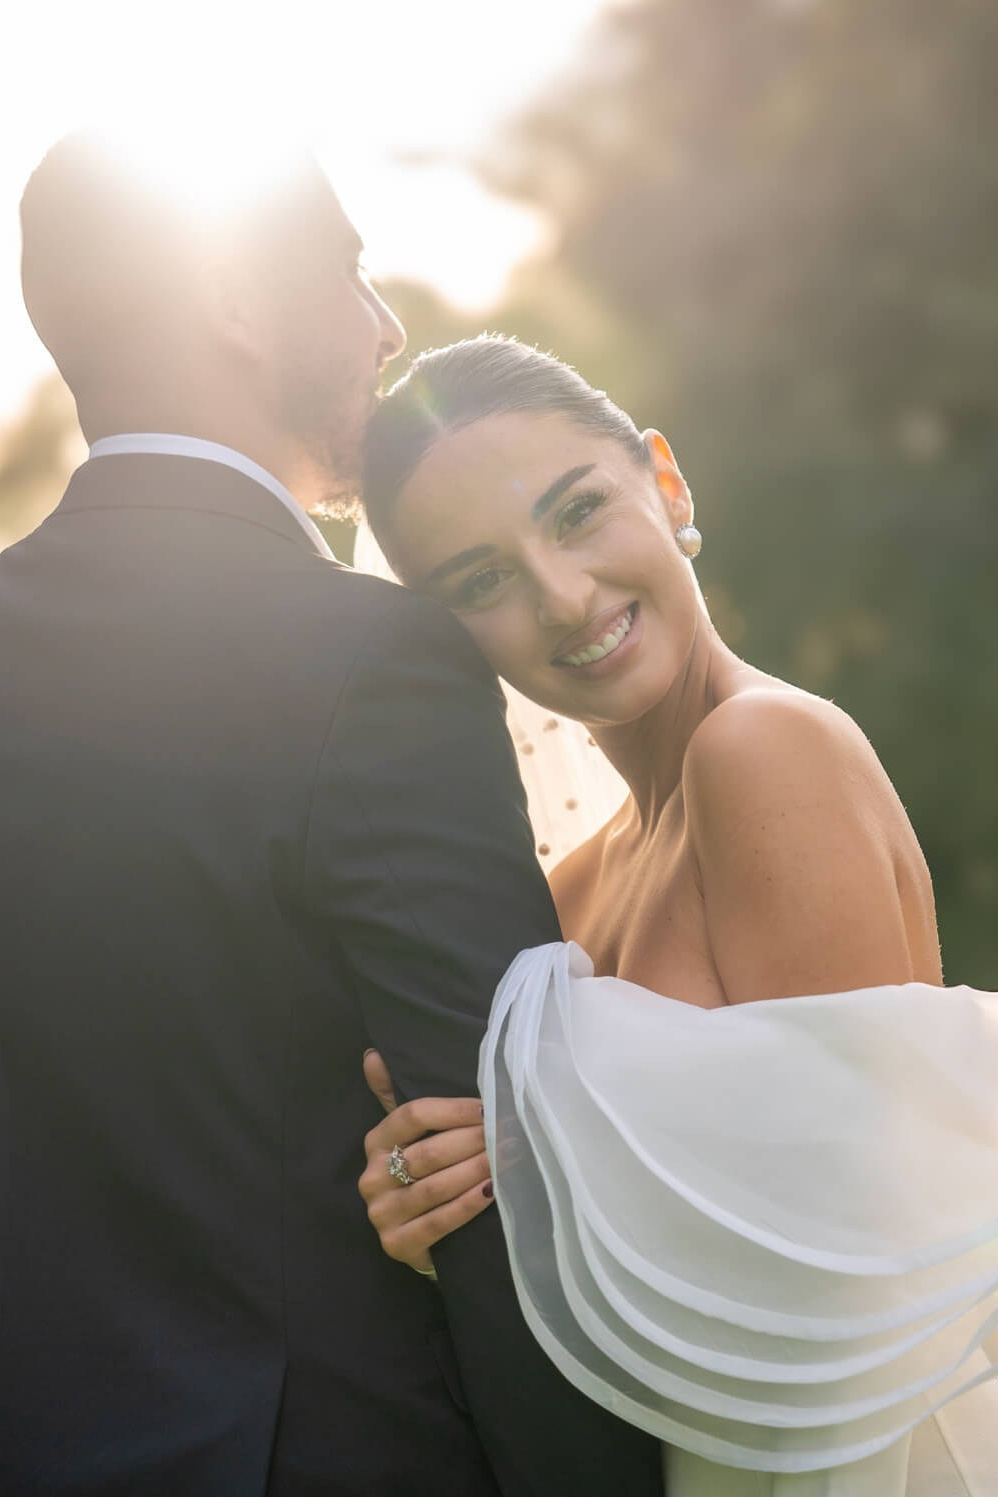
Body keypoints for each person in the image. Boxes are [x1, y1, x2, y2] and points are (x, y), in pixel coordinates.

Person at [0, 137, 663, 1496]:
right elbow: (493, 1176)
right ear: (239, 302)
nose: (386, 327)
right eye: (350, 271)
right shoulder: (375, 659)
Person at [356, 335, 998, 1495]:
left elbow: (836, 1254)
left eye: (577, 511)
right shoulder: (568, 890)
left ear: (666, 482)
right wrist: (434, 1202)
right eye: (481, 582)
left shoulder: (763, 750)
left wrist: (527, 1157)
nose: (563, 596)